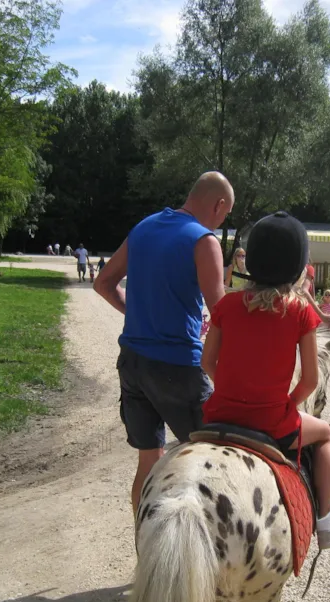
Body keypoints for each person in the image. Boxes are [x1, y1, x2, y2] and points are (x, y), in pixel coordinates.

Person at [201, 211, 330, 550]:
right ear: (296, 265)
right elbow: (310, 381)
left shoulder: (227, 305)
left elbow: (206, 361)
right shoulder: (301, 311)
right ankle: (328, 522)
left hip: (219, 415)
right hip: (273, 420)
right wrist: (284, 404)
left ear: (253, 260)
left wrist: (229, 389)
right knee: (327, 435)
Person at [94, 171, 232, 514]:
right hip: (177, 368)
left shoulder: (144, 227)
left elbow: (103, 283)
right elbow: (222, 314)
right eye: (224, 216)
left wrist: (138, 313)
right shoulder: (204, 241)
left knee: (149, 462)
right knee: (213, 456)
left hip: (132, 362)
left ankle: (145, 538)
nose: (219, 224)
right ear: (219, 205)